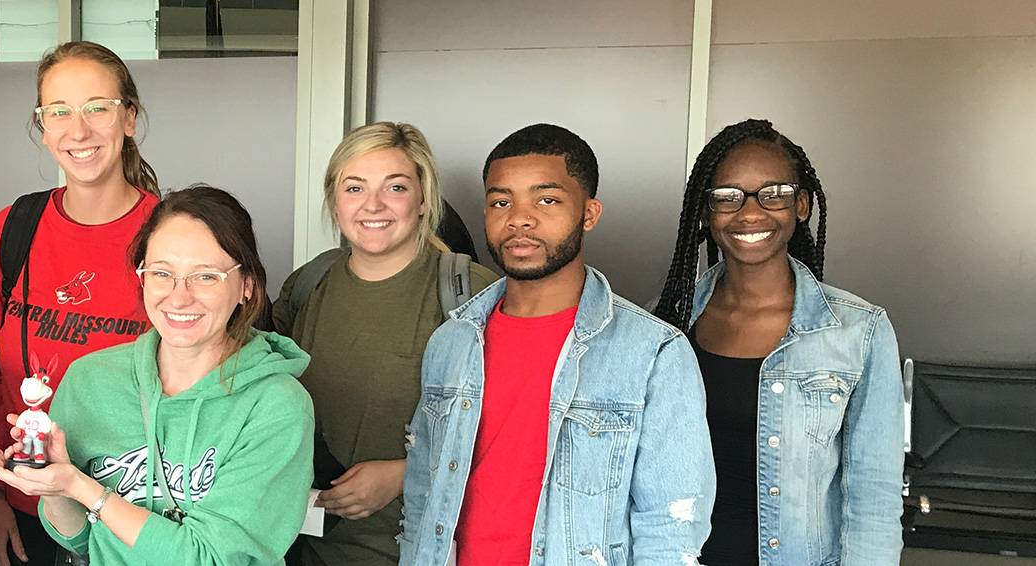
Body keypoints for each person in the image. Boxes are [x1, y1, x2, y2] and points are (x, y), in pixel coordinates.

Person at [399, 124, 715, 566]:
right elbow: (422, 500)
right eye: (501, 201)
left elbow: (671, 528)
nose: (520, 218)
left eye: (546, 200)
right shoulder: (452, 341)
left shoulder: (653, 352)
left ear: (589, 213)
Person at [0, 185, 315, 565]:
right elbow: (80, 541)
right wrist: (56, 487)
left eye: (205, 277)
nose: (178, 297)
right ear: (141, 278)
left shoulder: (276, 406)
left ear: (247, 286)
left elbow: (210, 559)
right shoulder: (91, 379)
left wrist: (84, 488)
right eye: (162, 273)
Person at [652, 119, 902, 565]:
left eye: (775, 193)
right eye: (727, 196)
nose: (750, 213)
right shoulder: (664, 325)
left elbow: (874, 497)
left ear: (801, 205)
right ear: (705, 213)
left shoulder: (857, 331)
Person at [272, 122, 498, 565]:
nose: (371, 205)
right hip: (301, 549)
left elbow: (512, 431)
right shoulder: (308, 285)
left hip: (415, 550)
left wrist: (404, 474)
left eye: (395, 187)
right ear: (334, 201)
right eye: (353, 188)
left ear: (423, 200)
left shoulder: (469, 293)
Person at [0, 40, 163, 566]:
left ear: (129, 118)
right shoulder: (16, 227)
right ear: (43, 126)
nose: (77, 130)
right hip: (22, 510)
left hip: (128, 515)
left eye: (96, 108)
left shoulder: (169, 234)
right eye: (58, 111)